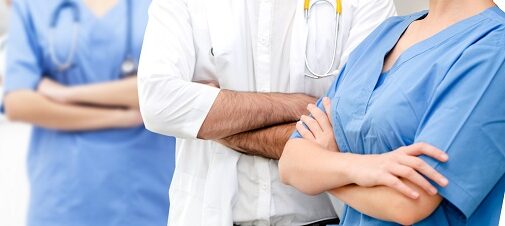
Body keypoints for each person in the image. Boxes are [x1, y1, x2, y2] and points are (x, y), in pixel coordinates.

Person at [138, 0, 396, 225]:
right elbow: (158, 102)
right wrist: (296, 105)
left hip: (327, 217)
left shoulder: (367, 3)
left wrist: (217, 124)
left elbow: (354, 133)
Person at [279, 0, 505, 225]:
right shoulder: (385, 34)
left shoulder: (494, 47)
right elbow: (291, 163)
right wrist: (360, 167)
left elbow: (407, 202)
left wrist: (327, 169)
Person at [2, 0, 175, 225]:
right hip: (63, 198)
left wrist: (66, 94)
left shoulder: (163, 4)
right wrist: (120, 116)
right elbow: (19, 103)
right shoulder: (32, 5)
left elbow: (172, 88)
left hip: (147, 193)